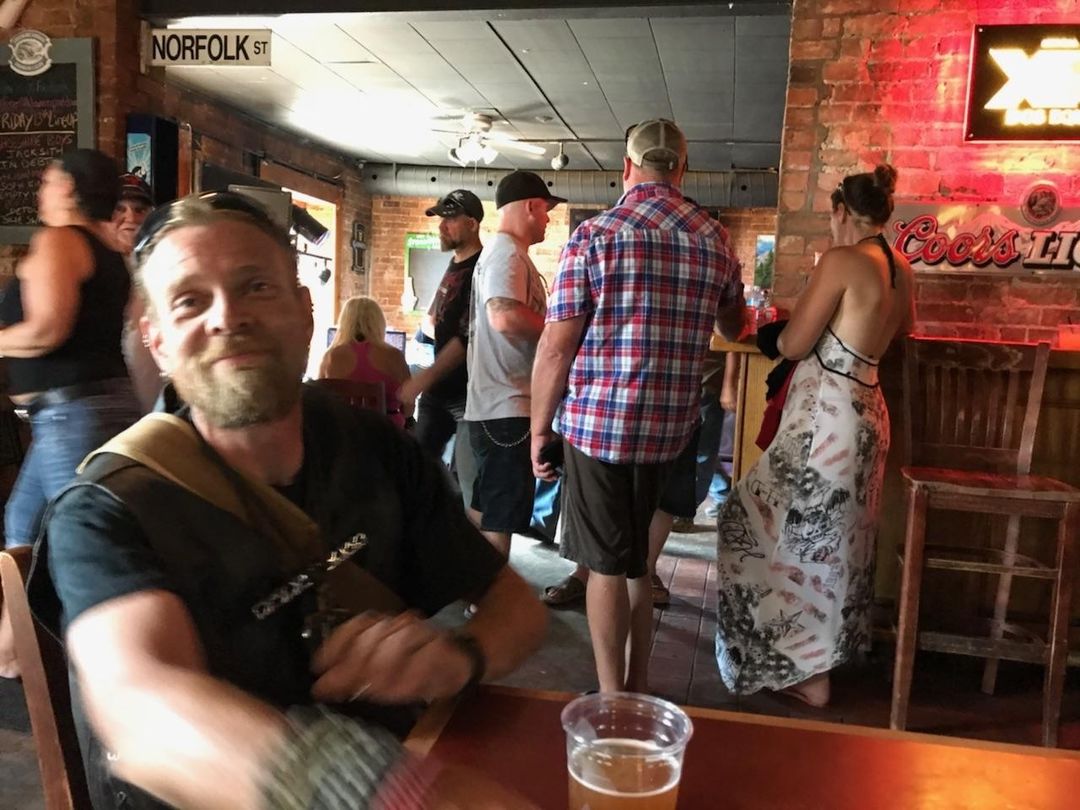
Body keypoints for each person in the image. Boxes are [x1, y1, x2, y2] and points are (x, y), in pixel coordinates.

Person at [27, 192, 548, 809]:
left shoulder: (374, 448)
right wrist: (392, 796)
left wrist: (459, 656)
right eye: (189, 301)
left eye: (256, 287)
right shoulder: (109, 504)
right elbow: (142, 706)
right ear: (157, 340)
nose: (227, 317)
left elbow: (516, 608)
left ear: (305, 312)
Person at [531, 119, 744, 694]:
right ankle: (640, 681)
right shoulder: (715, 238)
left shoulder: (595, 235)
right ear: (682, 167)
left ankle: (612, 697)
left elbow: (556, 346)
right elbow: (734, 326)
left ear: (626, 167)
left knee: (604, 565)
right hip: (672, 430)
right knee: (639, 566)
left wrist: (538, 429)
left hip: (598, 428)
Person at [714, 164, 914, 709]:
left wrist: (789, 324)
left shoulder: (843, 260)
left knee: (754, 525)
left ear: (841, 211)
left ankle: (803, 671)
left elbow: (793, 344)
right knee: (836, 542)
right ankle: (820, 660)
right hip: (869, 411)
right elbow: (905, 329)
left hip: (827, 416)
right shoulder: (901, 267)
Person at [0, 150, 140, 678]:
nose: (40, 188)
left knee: (78, 549)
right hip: (84, 411)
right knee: (22, 525)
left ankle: (108, 681)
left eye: (48, 179)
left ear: (71, 188)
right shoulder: (110, 249)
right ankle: (12, 656)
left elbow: (47, 329)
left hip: (72, 414)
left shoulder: (60, 240)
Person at [464, 171, 563, 557]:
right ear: (532, 206)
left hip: (496, 405)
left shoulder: (504, 252)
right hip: (508, 405)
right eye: (546, 210)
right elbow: (503, 316)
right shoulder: (506, 252)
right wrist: (558, 332)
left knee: (486, 507)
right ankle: (492, 591)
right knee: (501, 517)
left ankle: (469, 583)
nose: (548, 219)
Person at [399, 189, 484, 461]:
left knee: (465, 475)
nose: (441, 226)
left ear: (472, 223)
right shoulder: (455, 264)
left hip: (467, 394)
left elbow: (466, 338)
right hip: (440, 389)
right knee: (418, 467)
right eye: (441, 219)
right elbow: (435, 318)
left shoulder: (480, 270)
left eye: (450, 219)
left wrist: (422, 379)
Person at [320, 296, 412, 428]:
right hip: (387, 435)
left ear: (344, 323)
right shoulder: (394, 356)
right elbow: (408, 410)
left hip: (342, 434)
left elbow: (319, 403)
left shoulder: (330, 357)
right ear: (378, 323)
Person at [113, 172, 163, 413]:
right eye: (119, 209)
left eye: (139, 209)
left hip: (154, 400)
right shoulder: (92, 266)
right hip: (107, 401)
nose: (130, 217)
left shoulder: (163, 264)